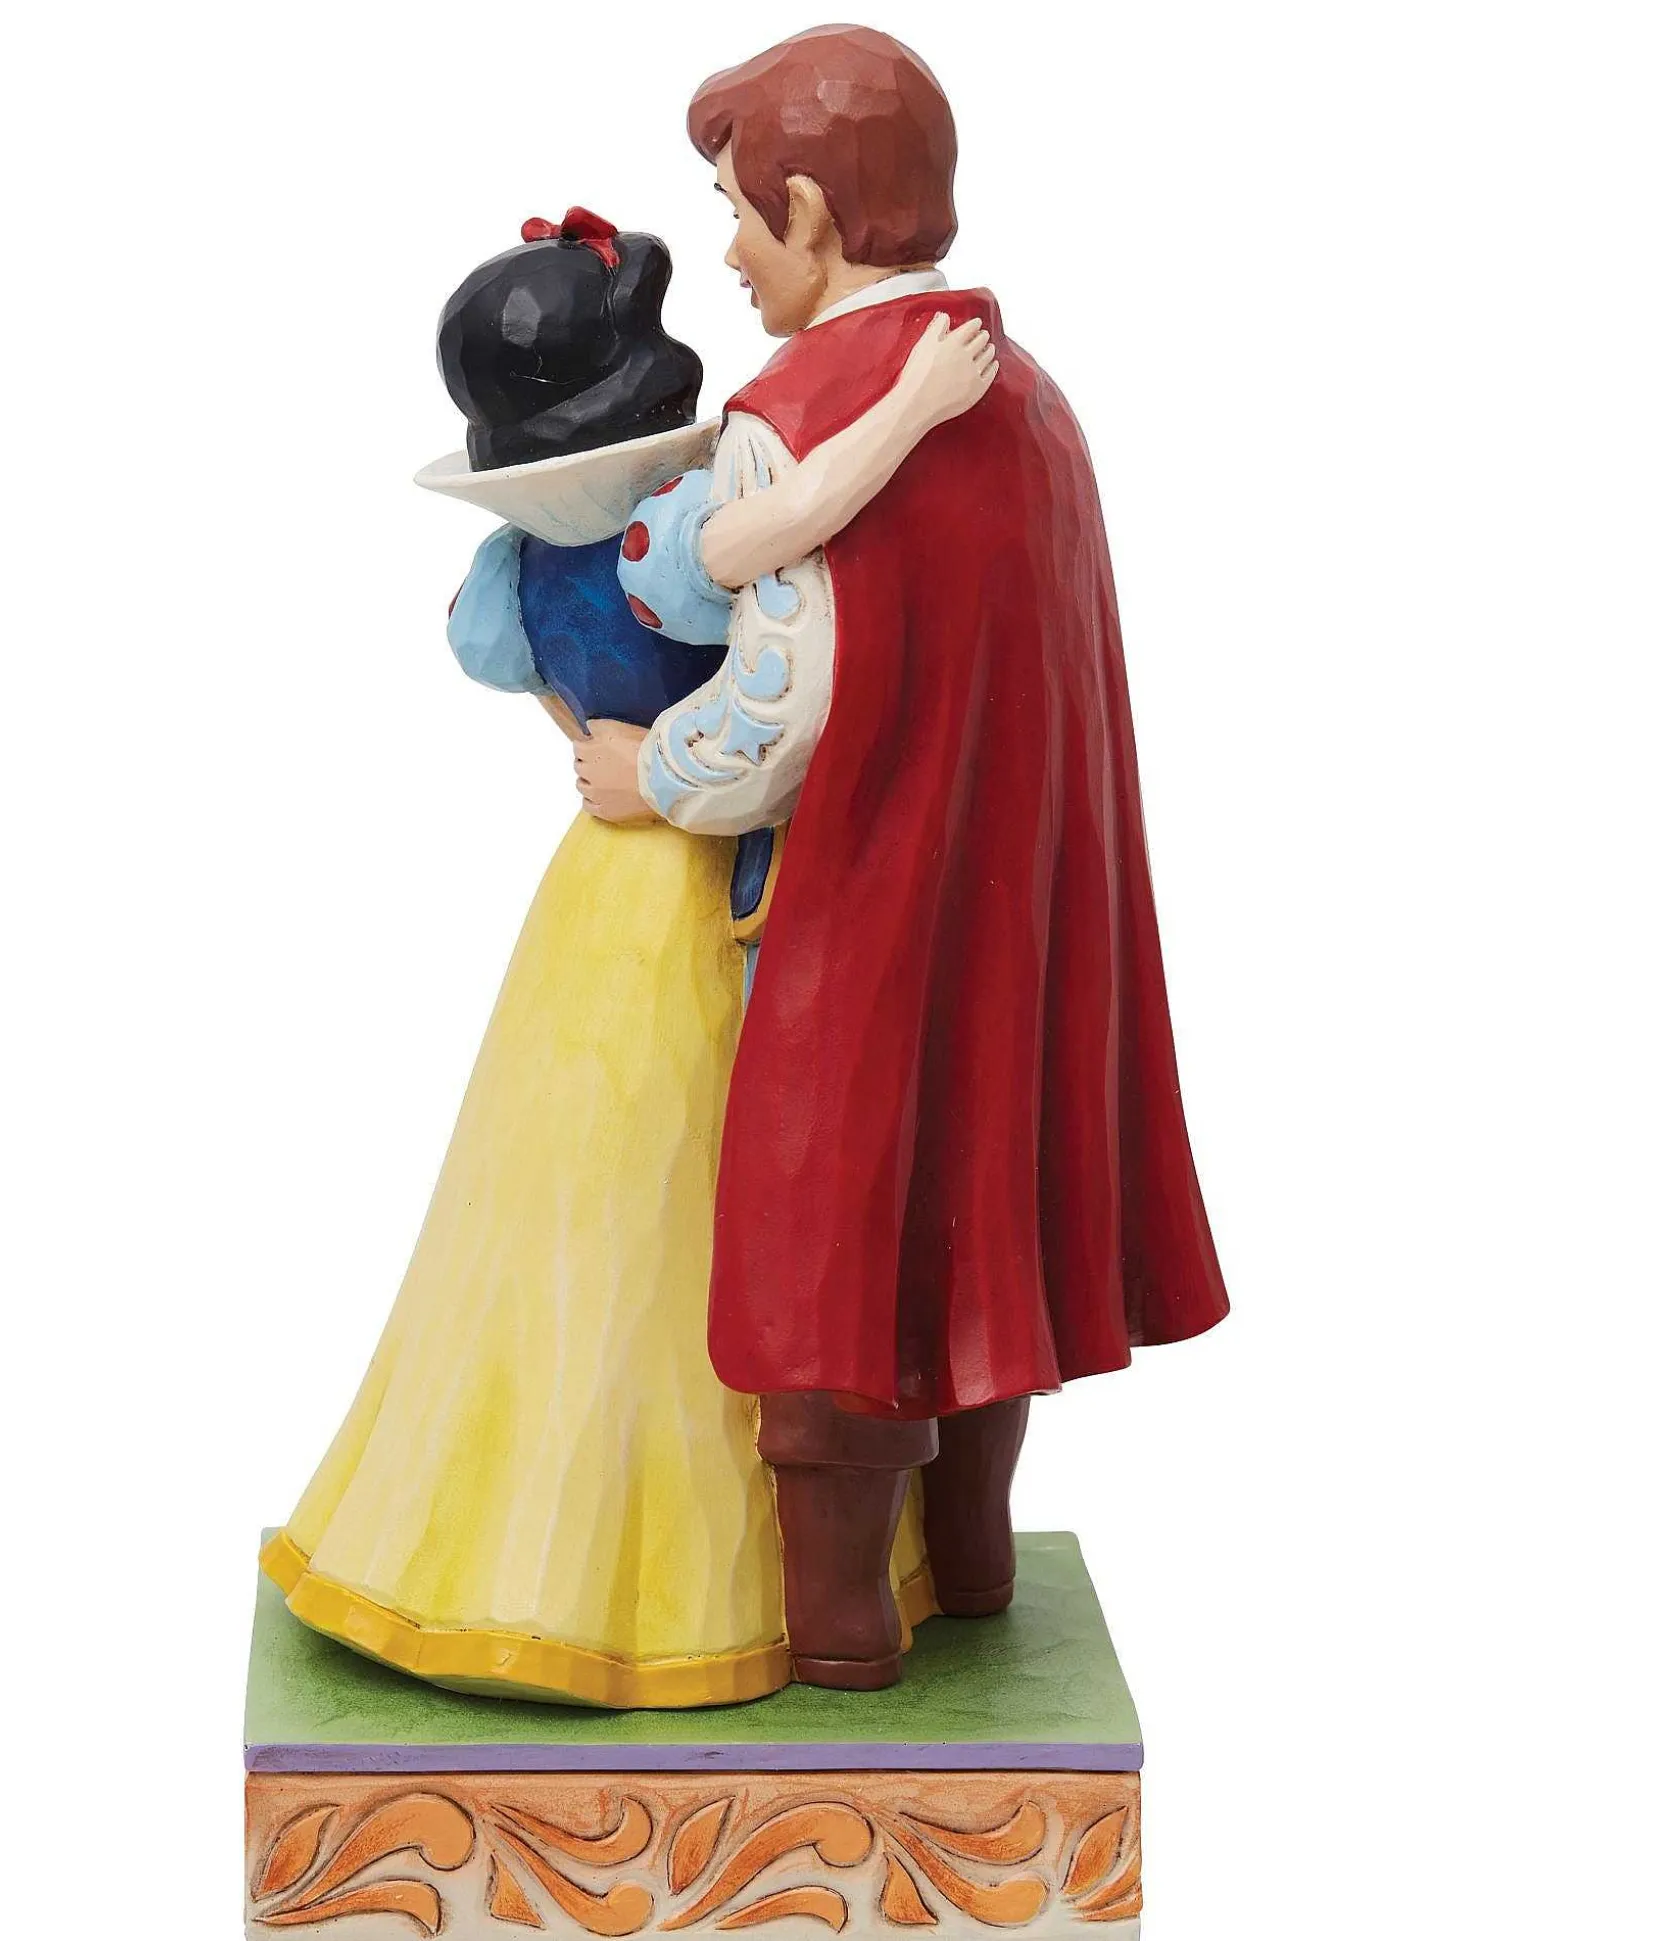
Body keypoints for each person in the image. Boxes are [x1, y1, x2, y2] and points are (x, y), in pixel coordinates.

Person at [260, 208, 995, 1706]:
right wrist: (914, 409)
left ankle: (527, 1540)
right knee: (680, 1185)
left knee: (581, 1185)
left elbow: (558, 705)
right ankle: (686, 1579)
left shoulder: (510, 577)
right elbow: (774, 543)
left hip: (599, 884)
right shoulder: (675, 536)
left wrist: (610, 758)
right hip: (695, 870)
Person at [572, 26, 1233, 1691]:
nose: (732, 255)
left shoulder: (792, 417)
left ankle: (842, 1628)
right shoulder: (1034, 397)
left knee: (837, 1232)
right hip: (1022, 899)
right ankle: (973, 1552)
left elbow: (779, 710)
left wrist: (652, 772)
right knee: (979, 1212)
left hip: (864, 893)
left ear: (808, 208)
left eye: (740, 217)